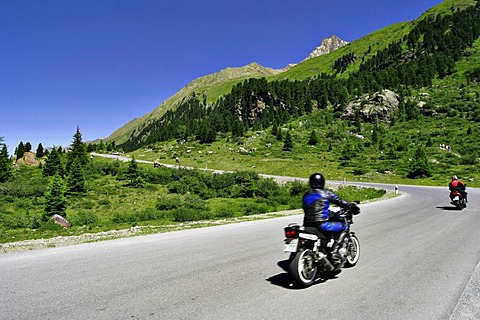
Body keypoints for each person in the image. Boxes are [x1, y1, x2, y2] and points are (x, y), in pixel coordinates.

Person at [302, 173, 360, 261]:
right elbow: (341, 202)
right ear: (322, 182)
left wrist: (328, 212)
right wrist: (353, 207)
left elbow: (312, 208)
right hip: (321, 224)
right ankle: (335, 252)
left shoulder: (306, 194)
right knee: (345, 227)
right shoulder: (326, 193)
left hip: (307, 224)